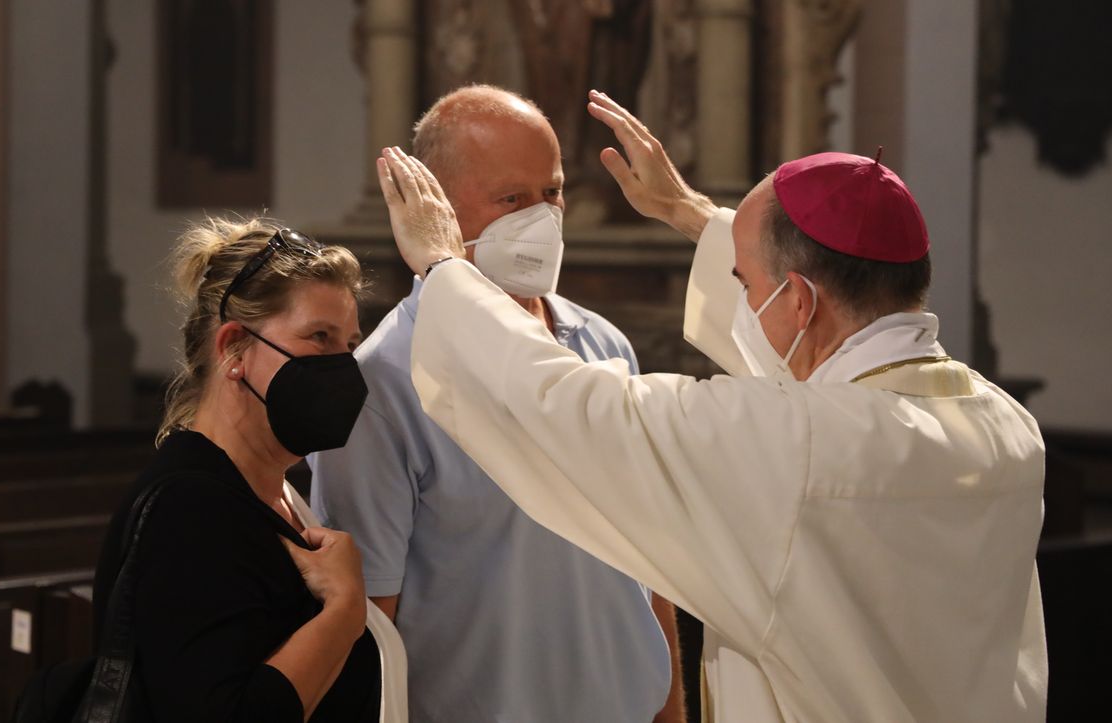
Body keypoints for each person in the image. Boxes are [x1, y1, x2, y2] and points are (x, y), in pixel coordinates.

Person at [373, 89, 1048, 723]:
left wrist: (443, 269)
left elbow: (564, 404)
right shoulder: (1004, 426)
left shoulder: (791, 447)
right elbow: (810, 353)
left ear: (798, 299)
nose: (741, 303)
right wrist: (688, 211)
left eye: (742, 280)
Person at [308, 85, 684, 723]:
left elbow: (653, 561)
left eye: (553, 192)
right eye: (512, 199)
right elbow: (369, 625)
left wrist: (671, 712)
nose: (542, 219)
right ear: (437, 209)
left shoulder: (603, 344)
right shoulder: (385, 382)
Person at [91, 217, 381, 722]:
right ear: (233, 350)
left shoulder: (275, 490)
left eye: (349, 345)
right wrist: (345, 610)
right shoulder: (191, 509)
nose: (342, 367)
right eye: (319, 336)